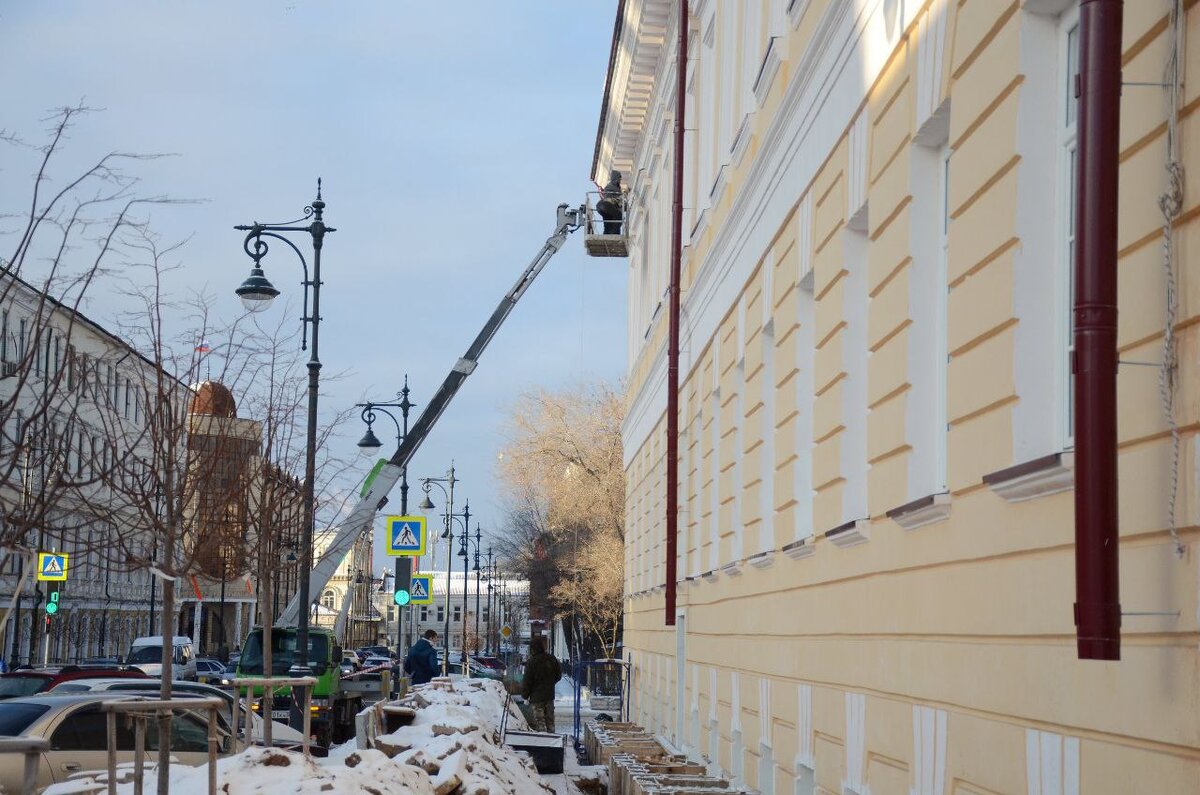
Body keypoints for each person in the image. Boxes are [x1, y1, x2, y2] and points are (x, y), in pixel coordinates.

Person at [521, 636, 562, 733]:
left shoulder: (531, 662)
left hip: (536, 698)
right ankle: (553, 742)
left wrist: (525, 695)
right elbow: (558, 675)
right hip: (549, 695)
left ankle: (543, 742)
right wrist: (550, 683)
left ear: (533, 649)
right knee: (550, 720)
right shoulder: (551, 659)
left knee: (540, 721)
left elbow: (527, 680)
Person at [595, 170, 625, 235]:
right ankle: (615, 233)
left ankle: (607, 234)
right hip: (606, 205)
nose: (620, 180)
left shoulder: (613, 187)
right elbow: (616, 199)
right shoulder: (612, 187)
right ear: (616, 178)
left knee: (608, 221)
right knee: (618, 216)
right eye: (619, 178)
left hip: (602, 206)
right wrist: (624, 194)